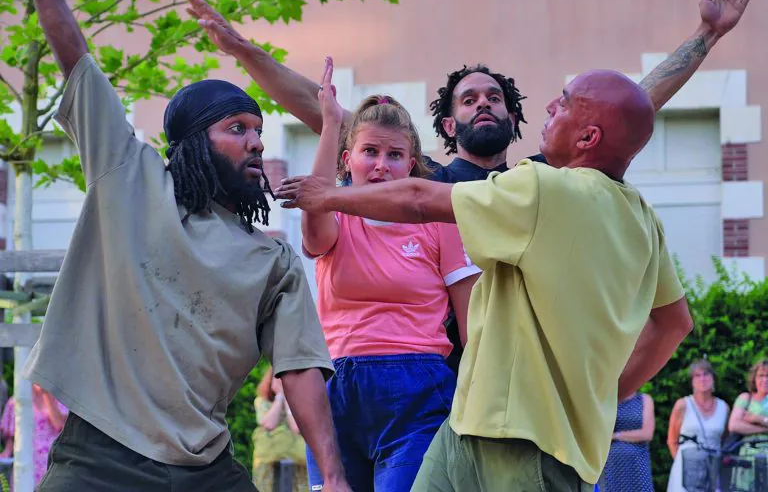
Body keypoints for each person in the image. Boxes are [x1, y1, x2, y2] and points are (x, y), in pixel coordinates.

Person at [182, 0, 754, 370]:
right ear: (449, 126)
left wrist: (705, 35)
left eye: (495, 98)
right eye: (468, 99)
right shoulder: (425, 180)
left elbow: (630, 105)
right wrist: (242, 50)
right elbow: (320, 107)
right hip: (441, 373)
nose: (484, 102)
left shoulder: (540, 184)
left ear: (514, 116)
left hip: (525, 376)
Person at [10, 0, 351, 490]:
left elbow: (299, 368)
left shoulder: (272, 260)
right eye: (237, 128)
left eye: (260, 131)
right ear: (192, 142)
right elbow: (77, 62)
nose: (257, 143)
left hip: (205, 468)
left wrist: (334, 478)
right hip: (101, 460)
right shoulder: (129, 175)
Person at [274, 65, 699, 490]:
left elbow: (419, 197)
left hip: (525, 439)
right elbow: (675, 323)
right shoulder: (644, 220)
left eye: (565, 102)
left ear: (588, 138)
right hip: (468, 424)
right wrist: (604, 395)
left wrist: (328, 194)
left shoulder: (543, 188)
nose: (550, 105)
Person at [302, 58, 479, 491]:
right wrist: (329, 123)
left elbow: (473, 327)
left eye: (395, 155)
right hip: (336, 393)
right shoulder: (337, 217)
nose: (382, 164)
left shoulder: (441, 222)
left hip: (417, 393)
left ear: (412, 165)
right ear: (348, 160)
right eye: (370, 152)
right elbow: (314, 213)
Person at [666, 359, 729, 492]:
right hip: (686, 467)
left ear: (713, 378)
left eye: (706, 374)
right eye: (697, 375)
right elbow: (672, 441)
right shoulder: (682, 405)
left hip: (713, 466)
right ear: (692, 381)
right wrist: (682, 465)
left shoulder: (724, 407)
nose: (702, 379)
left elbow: (724, 439)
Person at [252, 368, 308, 492]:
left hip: (298, 461)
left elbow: (296, 427)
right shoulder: (262, 401)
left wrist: (288, 399)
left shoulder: (302, 401)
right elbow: (269, 424)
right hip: (269, 461)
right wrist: (280, 397)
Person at [0, 385, 68, 486]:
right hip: (26, 465)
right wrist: (7, 452)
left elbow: (59, 424)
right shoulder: (18, 401)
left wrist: (46, 395)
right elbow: (12, 434)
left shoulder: (60, 400)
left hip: (51, 464)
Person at [598, 393, 655, 492]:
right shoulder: (607, 399)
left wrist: (616, 435)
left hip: (637, 463)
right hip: (611, 464)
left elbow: (647, 434)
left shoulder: (645, 399)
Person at [726, 359, 768, 491]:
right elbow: (734, 425)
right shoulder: (745, 398)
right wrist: (764, 428)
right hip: (746, 459)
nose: (765, 380)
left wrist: (758, 418)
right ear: (754, 378)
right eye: (761, 375)